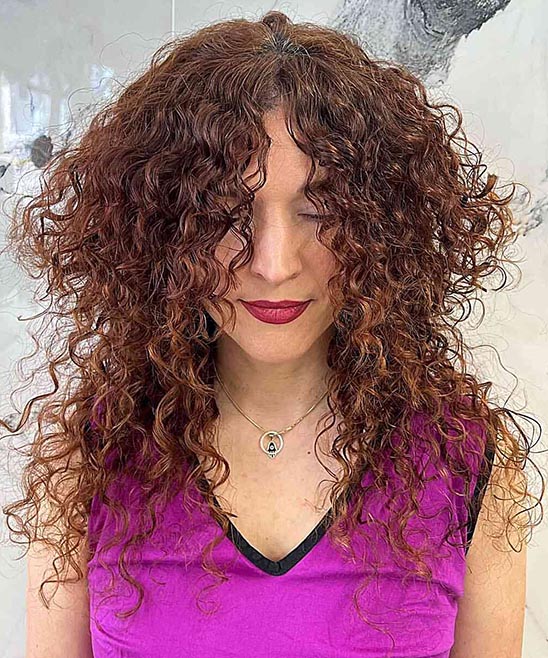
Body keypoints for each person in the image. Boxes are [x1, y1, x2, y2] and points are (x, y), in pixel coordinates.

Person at [2, 10, 540, 658]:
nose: (275, 263)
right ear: (165, 227)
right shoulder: (89, 458)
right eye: (230, 213)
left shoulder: (469, 464)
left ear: (381, 226)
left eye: (319, 210)